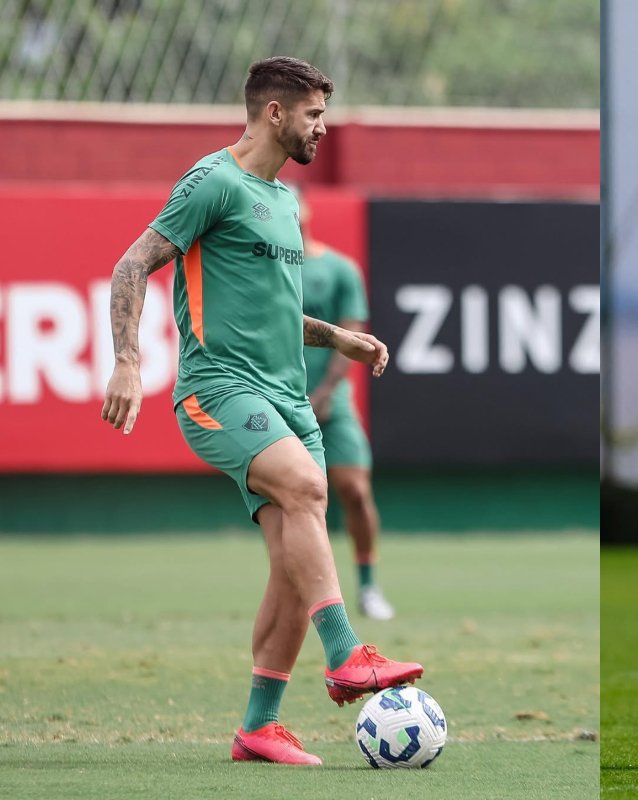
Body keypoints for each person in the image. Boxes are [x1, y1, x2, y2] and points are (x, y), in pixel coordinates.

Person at [101, 56, 423, 767]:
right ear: (274, 113)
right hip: (217, 392)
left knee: (291, 565)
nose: (322, 128)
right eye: (313, 115)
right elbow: (131, 265)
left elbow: (270, 309)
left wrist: (335, 334)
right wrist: (128, 359)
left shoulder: (281, 199)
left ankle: (259, 727)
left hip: (285, 397)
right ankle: (348, 655)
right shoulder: (212, 181)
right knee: (311, 489)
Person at [292, 185, 394, 621]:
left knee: (353, 489)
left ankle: (369, 585)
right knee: (289, 502)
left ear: (307, 207)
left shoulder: (338, 269)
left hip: (332, 403)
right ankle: (299, 593)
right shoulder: (263, 272)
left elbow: (351, 337)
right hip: (281, 400)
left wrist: (326, 392)